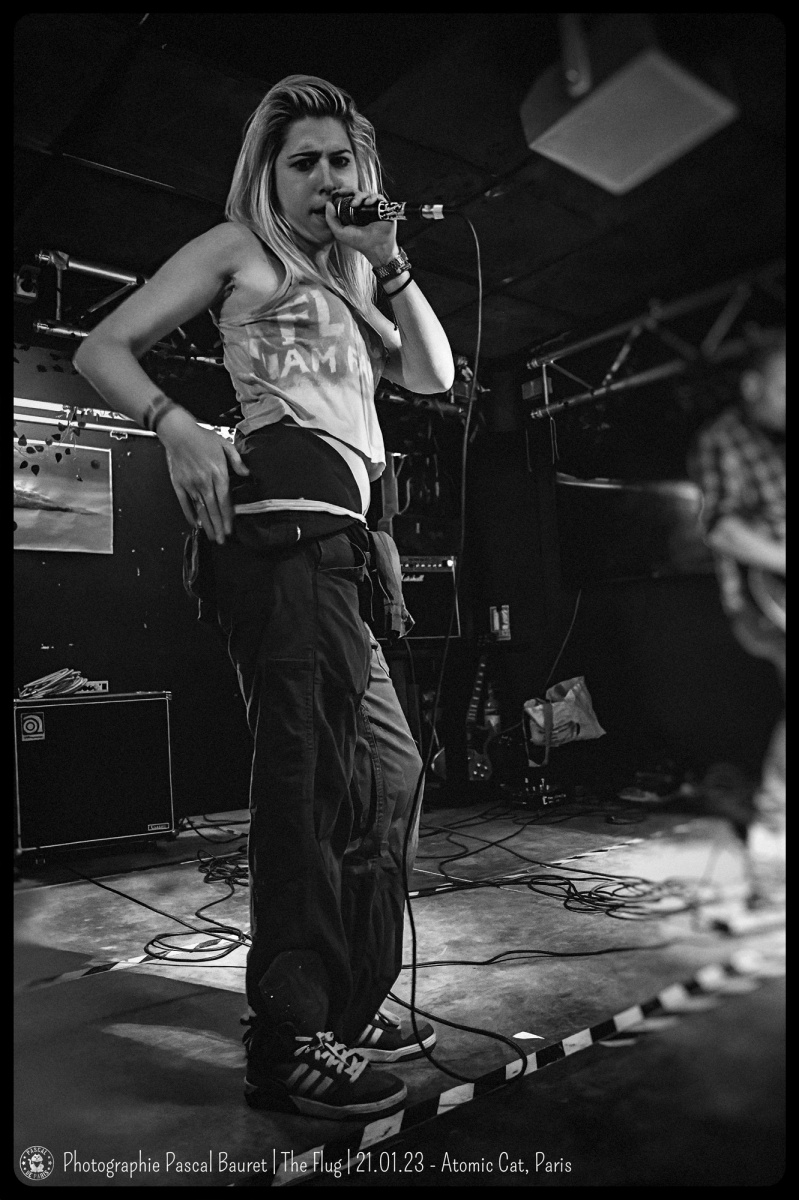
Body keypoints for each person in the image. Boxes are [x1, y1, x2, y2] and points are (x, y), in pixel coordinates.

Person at [74, 74, 454, 1119]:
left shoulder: (358, 279)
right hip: (277, 537)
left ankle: (344, 1001)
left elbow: (431, 375)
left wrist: (389, 262)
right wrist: (174, 423)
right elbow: (101, 346)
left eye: (341, 160)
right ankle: (289, 1038)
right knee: (309, 780)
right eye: (303, 162)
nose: (325, 177)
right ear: (270, 176)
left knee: (389, 774)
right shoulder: (239, 248)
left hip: (339, 546)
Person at [688, 330, 785, 905]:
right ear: (752, 386)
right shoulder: (723, 439)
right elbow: (722, 527)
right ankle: (773, 844)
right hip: (760, 600)